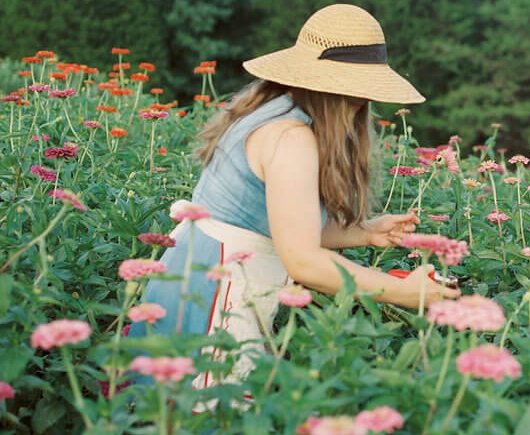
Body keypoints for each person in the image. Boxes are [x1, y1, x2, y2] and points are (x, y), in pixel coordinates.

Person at [129, 4, 459, 390]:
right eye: (360, 93)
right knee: (208, 411)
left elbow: (278, 225)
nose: (361, 107)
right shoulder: (292, 138)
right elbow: (303, 261)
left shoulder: (272, 110)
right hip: (217, 293)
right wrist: (405, 291)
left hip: (192, 272)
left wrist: (366, 232)